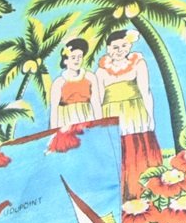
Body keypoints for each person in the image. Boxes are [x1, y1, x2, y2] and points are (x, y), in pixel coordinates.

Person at [95, 28, 163, 196]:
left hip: (135, 112)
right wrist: (99, 123)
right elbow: (98, 99)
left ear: (129, 46)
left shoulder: (138, 64)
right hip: (112, 114)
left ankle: (145, 190)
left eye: (124, 46)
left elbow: (145, 91)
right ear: (108, 48)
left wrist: (150, 116)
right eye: (115, 47)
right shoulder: (101, 71)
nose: (120, 51)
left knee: (138, 148)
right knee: (120, 151)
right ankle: (124, 193)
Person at [49, 37, 103, 129]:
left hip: (87, 118)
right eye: (73, 57)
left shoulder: (90, 77)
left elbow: (96, 103)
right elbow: (54, 110)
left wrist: (99, 124)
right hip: (66, 121)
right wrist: (53, 131)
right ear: (65, 61)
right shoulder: (59, 82)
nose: (77, 60)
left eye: (80, 57)